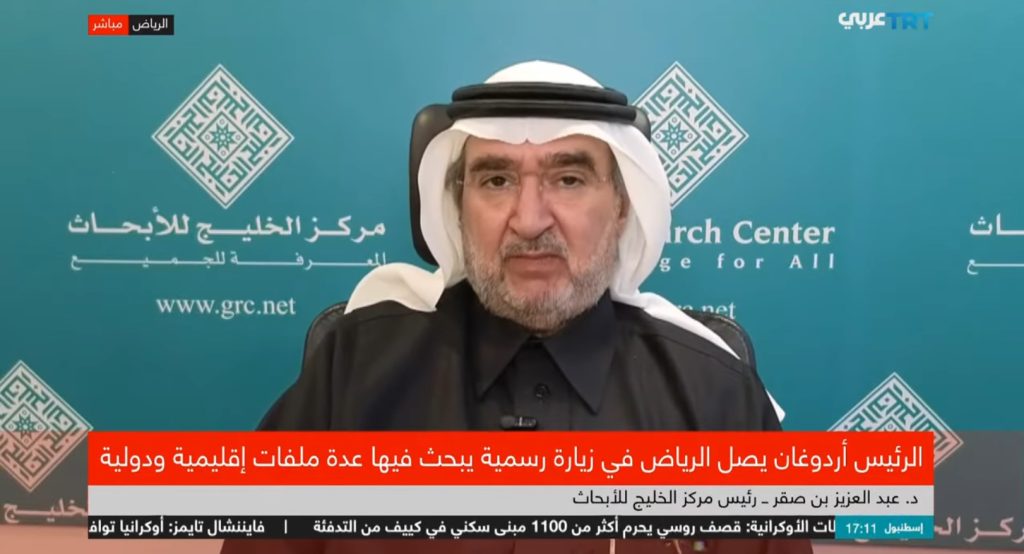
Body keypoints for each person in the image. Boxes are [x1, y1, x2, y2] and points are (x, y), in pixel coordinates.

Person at [222, 61, 810, 554]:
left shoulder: (714, 395)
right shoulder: (353, 369)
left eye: (569, 179)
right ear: (457, 207)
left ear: (622, 206)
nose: (529, 220)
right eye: (496, 180)